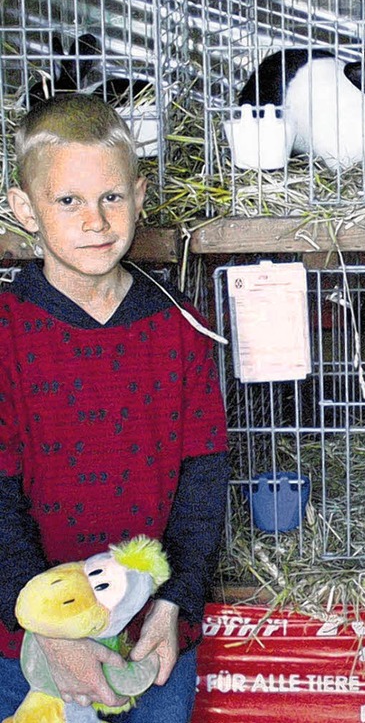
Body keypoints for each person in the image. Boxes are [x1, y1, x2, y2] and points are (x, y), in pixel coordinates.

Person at [0, 92, 229, 722]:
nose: (95, 222)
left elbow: (203, 480)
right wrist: (44, 630)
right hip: (27, 651)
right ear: (25, 208)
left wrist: (174, 605)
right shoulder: (7, 333)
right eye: (67, 200)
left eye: (112, 197)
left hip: (151, 638)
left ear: (140, 194)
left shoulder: (181, 326)